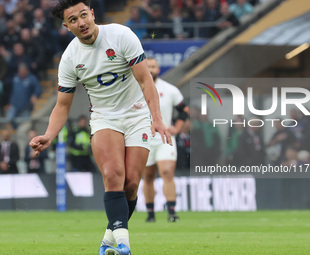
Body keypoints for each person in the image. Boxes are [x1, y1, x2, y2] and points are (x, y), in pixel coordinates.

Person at [29, 1, 171, 255]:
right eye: (73, 20)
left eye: (84, 15)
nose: (81, 23)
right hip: (105, 117)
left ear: (92, 14)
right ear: (66, 26)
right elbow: (62, 105)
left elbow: (144, 79)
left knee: (130, 184)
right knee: (113, 175)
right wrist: (49, 135)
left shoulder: (121, 35)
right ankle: (123, 245)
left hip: (137, 114)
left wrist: (157, 118)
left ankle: (109, 237)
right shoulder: (70, 58)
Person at [143, 58, 189, 223]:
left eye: (153, 67)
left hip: (164, 138)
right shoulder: (134, 89)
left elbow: (184, 111)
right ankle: (150, 213)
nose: (150, 70)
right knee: (148, 177)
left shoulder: (170, 90)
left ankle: (171, 211)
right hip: (143, 139)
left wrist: (176, 128)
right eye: (147, 67)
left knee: (167, 173)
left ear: (158, 69)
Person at [6, 62, 42, 129]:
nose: (20, 73)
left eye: (22, 71)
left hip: (26, 106)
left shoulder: (32, 79)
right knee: (9, 119)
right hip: (14, 104)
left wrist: (35, 95)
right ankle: (17, 130)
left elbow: (38, 88)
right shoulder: (15, 78)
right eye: (19, 71)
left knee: (24, 123)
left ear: (26, 70)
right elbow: (11, 91)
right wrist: (10, 101)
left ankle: (20, 132)